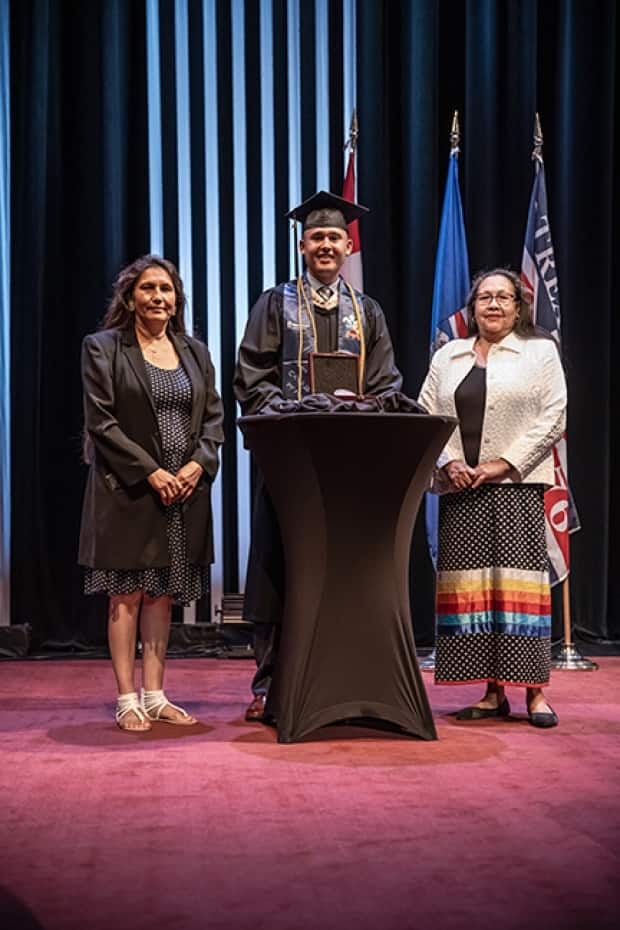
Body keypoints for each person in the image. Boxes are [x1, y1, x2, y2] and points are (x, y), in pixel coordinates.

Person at [234, 191, 403, 722]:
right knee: (278, 565)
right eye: (317, 237)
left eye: (334, 237)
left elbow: (387, 381)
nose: (326, 245)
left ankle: (341, 678)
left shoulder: (366, 311)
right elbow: (251, 377)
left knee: (343, 569)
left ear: (346, 245)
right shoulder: (274, 303)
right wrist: (294, 410)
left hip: (351, 466)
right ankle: (269, 685)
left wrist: (364, 407)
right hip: (290, 461)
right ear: (302, 244)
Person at [79, 255, 224, 731]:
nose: (158, 297)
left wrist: (196, 465)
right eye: (148, 289)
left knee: (162, 594)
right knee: (127, 594)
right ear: (130, 297)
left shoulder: (195, 352)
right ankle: (127, 697)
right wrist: (152, 473)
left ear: (177, 299)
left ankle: (156, 694)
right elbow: (102, 423)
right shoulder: (103, 348)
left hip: (183, 491)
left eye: (166, 289)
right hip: (128, 490)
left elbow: (213, 420)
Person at [418, 268, 567, 727]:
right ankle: (491, 691)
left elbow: (555, 416)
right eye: (485, 297)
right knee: (474, 592)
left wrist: (501, 464)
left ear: (519, 307)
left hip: (516, 487)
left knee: (520, 591)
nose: (494, 305)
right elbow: (426, 412)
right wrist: (448, 463)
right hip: (461, 488)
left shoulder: (540, 351)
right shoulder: (449, 354)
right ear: (472, 306)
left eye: (504, 297)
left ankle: (535, 694)